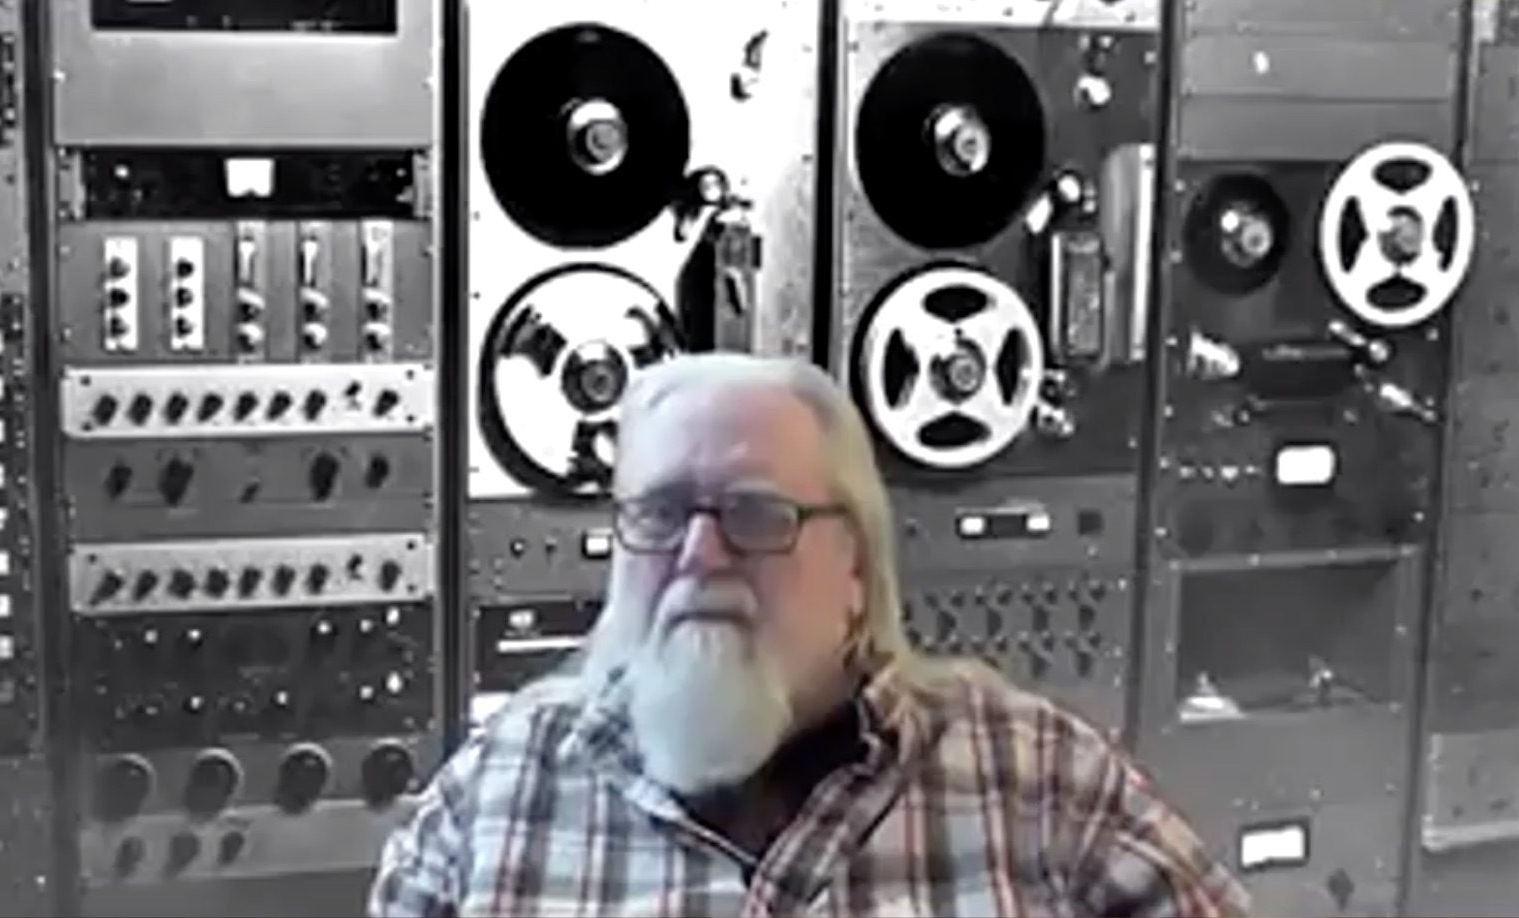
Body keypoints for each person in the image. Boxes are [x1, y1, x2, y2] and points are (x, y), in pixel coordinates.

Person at [369, 352, 1251, 917]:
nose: (699, 555)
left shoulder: (1040, 782)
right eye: (661, 513)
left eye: (756, 515)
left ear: (857, 564)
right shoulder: (499, 791)